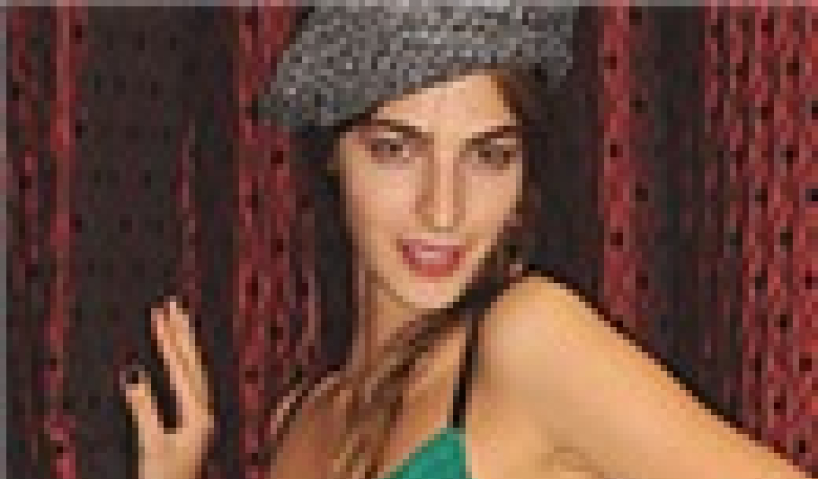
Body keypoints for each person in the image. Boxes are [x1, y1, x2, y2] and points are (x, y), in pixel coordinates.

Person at [119, 5, 811, 479]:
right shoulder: (297, 421)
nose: (442, 209)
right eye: (396, 149)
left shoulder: (528, 343)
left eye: (488, 156)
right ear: (334, 154)